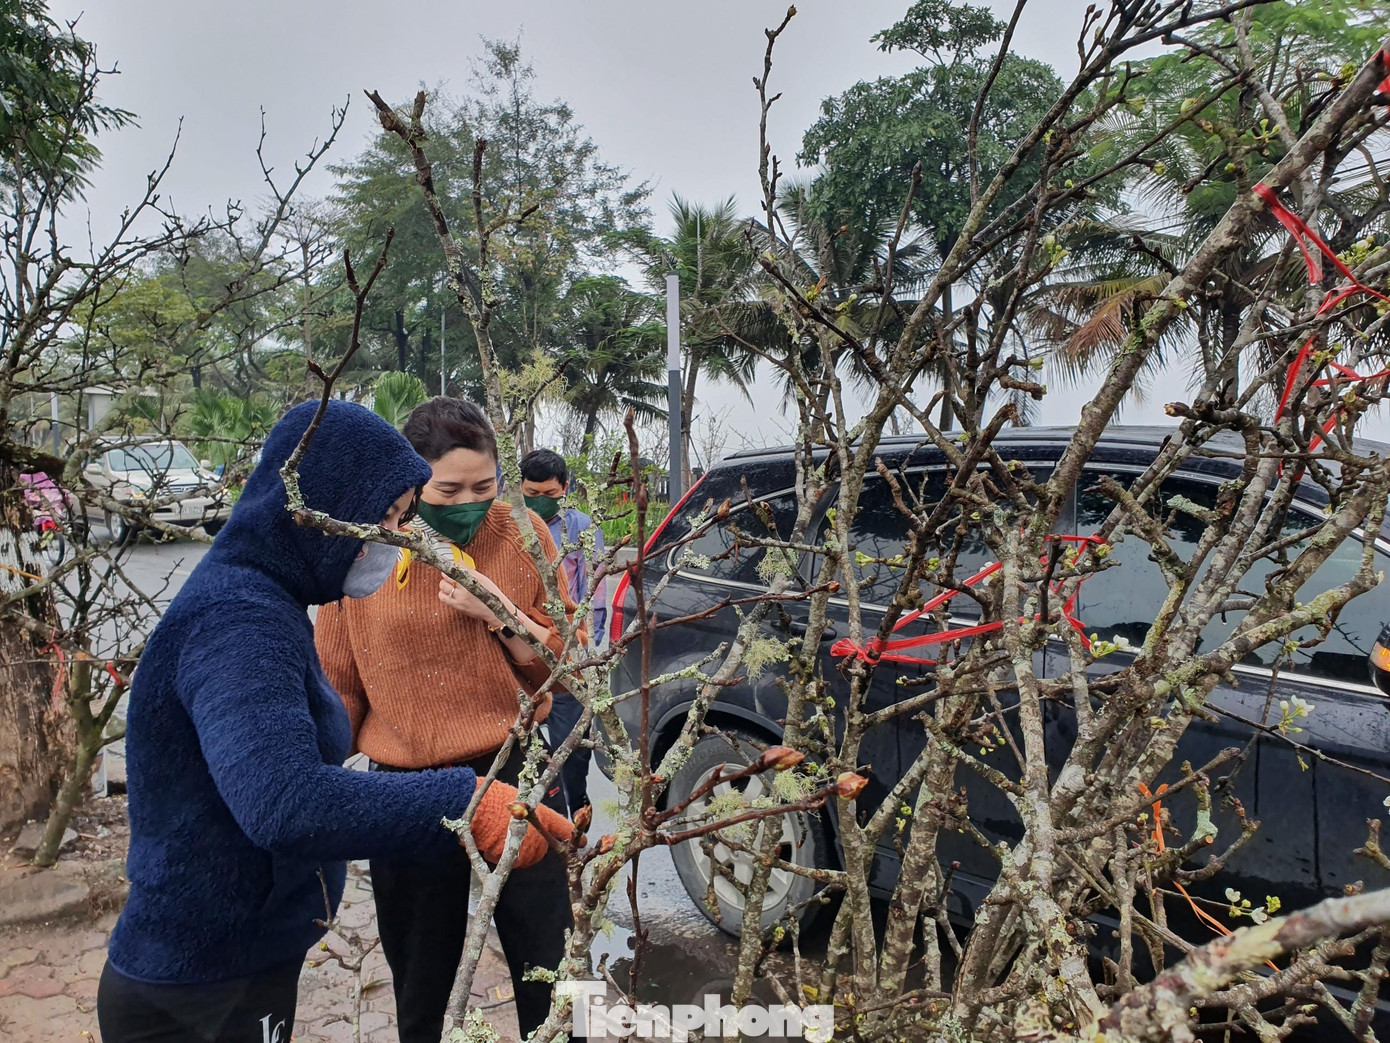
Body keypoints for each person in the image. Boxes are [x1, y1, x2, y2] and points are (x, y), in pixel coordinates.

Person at [96, 400, 571, 1043]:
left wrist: (498, 611)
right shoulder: (243, 620)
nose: (392, 535)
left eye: (401, 518)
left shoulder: (268, 603)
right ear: (324, 509)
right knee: (423, 987)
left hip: (241, 953)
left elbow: (301, 734)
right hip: (208, 972)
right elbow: (292, 790)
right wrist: (466, 800)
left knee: (555, 971)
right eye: (388, 517)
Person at [315, 398, 582, 1043]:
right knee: (420, 969)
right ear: (409, 481)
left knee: (549, 957)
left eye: (483, 486)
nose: (469, 501)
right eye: (448, 488)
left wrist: (494, 609)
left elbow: (566, 661)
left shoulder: (521, 534)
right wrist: (305, 787)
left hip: (511, 767)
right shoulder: (369, 548)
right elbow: (338, 690)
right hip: (404, 787)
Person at [519, 447, 606, 814]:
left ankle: (577, 814)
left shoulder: (581, 527)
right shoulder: (508, 522)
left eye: (550, 495)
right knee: (526, 754)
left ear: (565, 489)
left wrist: (589, 647)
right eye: (532, 494)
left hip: (569, 652)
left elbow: (595, 588)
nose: (540, 502)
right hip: (521, 651)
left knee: (570, 751)